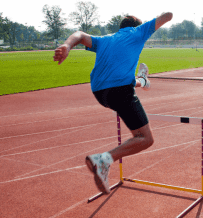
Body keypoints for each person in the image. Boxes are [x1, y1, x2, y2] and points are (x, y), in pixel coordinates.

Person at [53, 12, 173, 194]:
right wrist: (155, 23)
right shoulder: (138, 32)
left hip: (100, 94)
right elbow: (168, 15)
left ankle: (142, 80)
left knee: (127, 77)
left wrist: (67, 45)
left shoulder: (105, 39)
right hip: (120, 91)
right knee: (146, 139)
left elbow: (79, 35)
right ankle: (104, 160)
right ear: (134, 27)